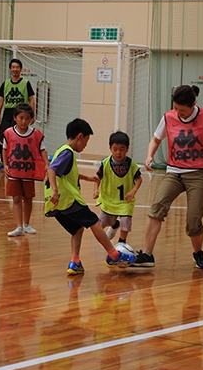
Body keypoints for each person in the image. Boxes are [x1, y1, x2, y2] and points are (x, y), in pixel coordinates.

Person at [132, 85, 203, 269]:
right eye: (175, 108)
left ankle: (198, 253)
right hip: (174, 172)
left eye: (182, 110)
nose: (178, 113)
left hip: (198, 174)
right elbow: (156, 139)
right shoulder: (169, 117)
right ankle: (147, 255)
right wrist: (150, 155)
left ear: (193, 104)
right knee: (157, 207)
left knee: (193, 219)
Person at [44, 118, 136, 275]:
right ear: (80, 136)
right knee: (94, 221)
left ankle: (75, 262)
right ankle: (114, 255)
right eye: (86, 140)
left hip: (55, 205)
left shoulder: (62, 150)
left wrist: (88, 178)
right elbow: (52, 170)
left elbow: (66, 174)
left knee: (77, 228)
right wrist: (54, 190)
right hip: (67, 199)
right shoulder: (68, 153)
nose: (86, 145)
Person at [3, 103, 49, 237]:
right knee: (16, 198)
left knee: (28, 198)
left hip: (29, 171)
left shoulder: (36, 134)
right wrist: (5, 164)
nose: (24, 121)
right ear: (15, 118)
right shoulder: (9, 133)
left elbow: (42, 149)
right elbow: (5, 148)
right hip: (13, 171)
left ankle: (26, 224)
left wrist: (46, 163)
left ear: (31, 120)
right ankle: (19, 227)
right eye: (21, 118)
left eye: (27, 118)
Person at [93, 131, 143, 244]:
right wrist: (96, 190)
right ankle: (115, 224)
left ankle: (122, 243)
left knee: (126, 221)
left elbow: (139, 179)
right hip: (109, 199)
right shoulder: (105, 163)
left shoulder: (131, 164)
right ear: (110, 148)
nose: (118, 152)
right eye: (115, 149)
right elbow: (98, 177)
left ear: (127, 149)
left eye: (122, 149)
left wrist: (133, 191)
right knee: (101, 224)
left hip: (125, 201)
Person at [0, 58, 35, 170]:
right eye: (13, 67)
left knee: (19, 137)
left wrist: (32, 115)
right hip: (8, 112)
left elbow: (31, 99)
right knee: (3, 138)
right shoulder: (6, 83)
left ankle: (18, 159)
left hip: (21, 112)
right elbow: (1, 100)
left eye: (17, 67)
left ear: (21, 69)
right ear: (10, 69)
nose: (15, 69)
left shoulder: (26, 83)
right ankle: (3, 161)